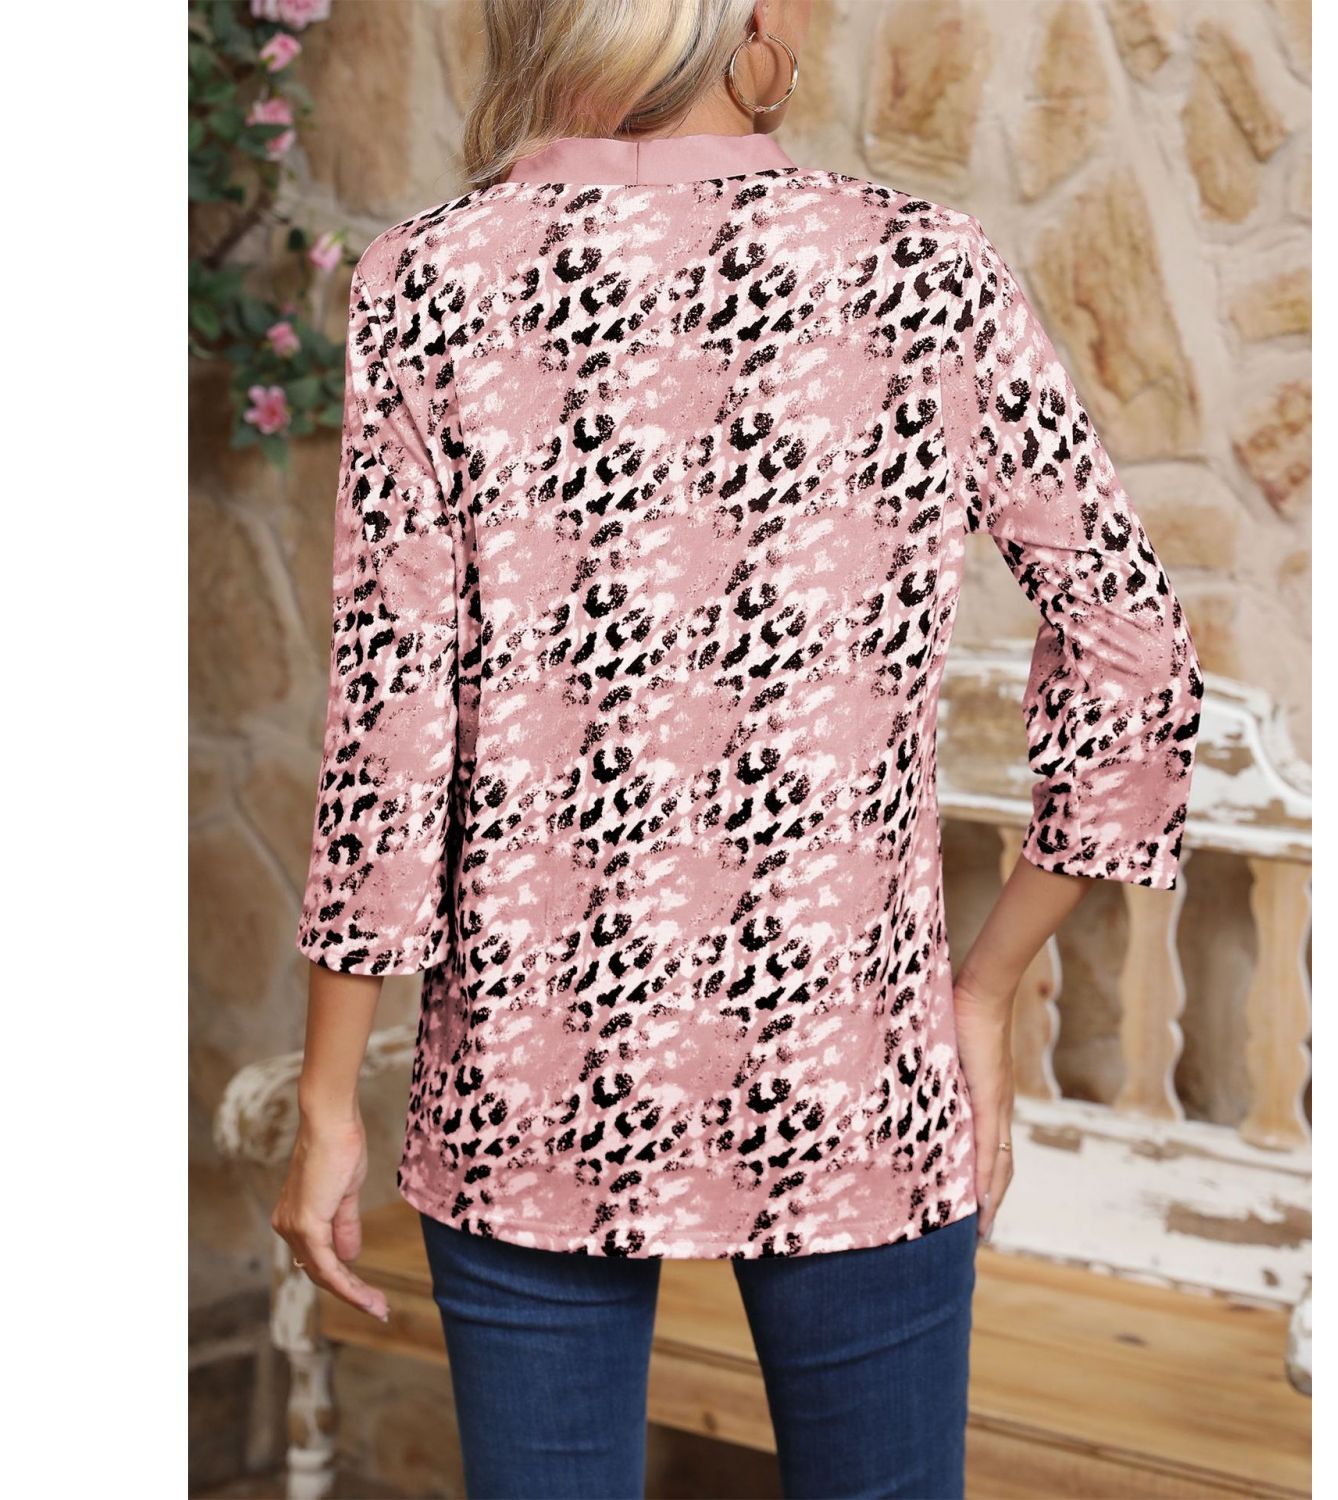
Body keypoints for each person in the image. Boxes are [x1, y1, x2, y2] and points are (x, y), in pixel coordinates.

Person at [272, 1, 1202, 1495]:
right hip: (852, 1068)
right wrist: (981, 987)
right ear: (755, 12)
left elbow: (392, 728)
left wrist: (328, 1103)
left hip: (527, 1081)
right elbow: (1135, 644)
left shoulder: (428, 283)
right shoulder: (923, 269)